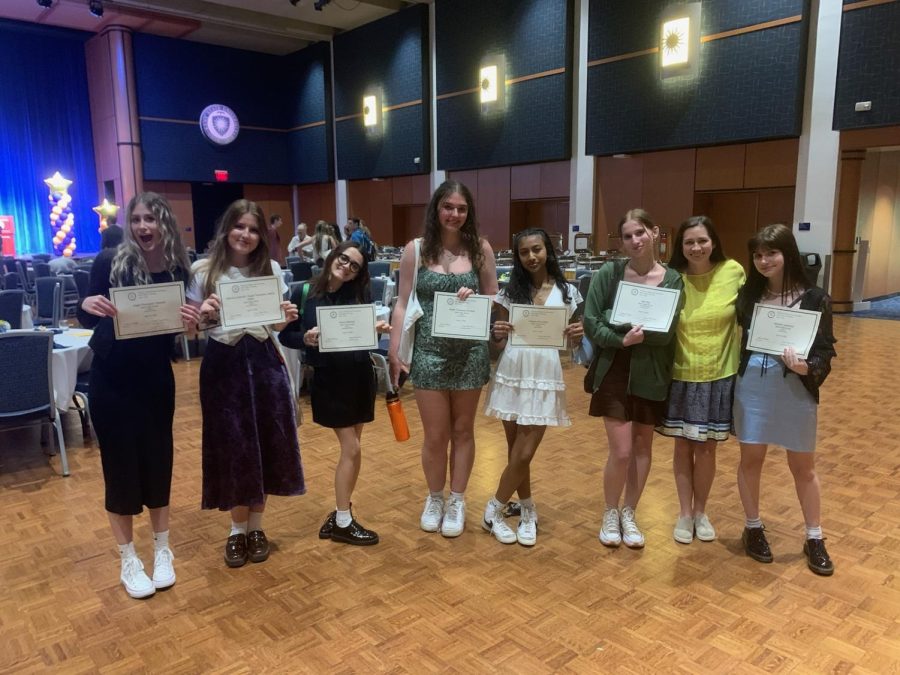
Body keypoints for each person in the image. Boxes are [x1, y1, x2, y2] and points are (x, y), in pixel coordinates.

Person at [77, 192, 200, 599]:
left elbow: (184, 328)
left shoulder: (179, 268)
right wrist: (88, 303)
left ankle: (163, 550)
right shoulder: (108, 262)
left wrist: (191, 323)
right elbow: (83, 313)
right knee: (121, 468)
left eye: (151, 219)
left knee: (158, 462)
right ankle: (128, 558)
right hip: (111, 379)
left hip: (155, 379)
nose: (143, 227)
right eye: (137, 220)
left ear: (164, 223)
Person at [187, 199, 305, 568]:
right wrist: (203, 317)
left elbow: (275, 326)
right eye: (240, 227)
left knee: (266, 445)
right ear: (226, 229)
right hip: (223, 365)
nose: (246, 235)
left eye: (254, 230)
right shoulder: (203, 270)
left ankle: (257, 527)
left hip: (264, 363)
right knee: (234, 448)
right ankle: (236, 531)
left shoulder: (270, 269)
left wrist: (285, 319)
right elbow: (190, 330)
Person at [388, 180, 498, 537]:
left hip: (469, 352)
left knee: (463, 431)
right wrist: (394, 347)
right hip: (429, 352)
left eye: (461, 208)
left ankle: (457, 499)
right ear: (437, 209)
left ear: (469, 213)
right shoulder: (416, 250)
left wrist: (478, 299)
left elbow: (495, 297)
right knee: (435, 435)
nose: (454, 214)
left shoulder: (480, 249)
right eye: (448, 207)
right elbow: (402, 301)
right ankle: (435, 497)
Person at [733, 223, 837, 575]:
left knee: (803, 467)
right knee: (751, 459)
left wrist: (807, 367)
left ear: (787, 253)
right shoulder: (748, 295)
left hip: (795, 388)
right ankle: (753, 528)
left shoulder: (815, 298)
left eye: (771, 253)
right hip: (752, 387)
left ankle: (814, 536)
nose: (764, 260)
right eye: (758, 255)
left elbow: (825, 350)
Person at [279, 241, 391, 545]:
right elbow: (285, 335)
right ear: (333, 256)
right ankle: (343, 520)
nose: (347, 266)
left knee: (354, 450)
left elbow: (362, 335)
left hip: (359, 376)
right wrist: (305, 336)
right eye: (344, 259)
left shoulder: (359, 293)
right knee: (351, 449)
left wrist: (376, 329)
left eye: (355, 266)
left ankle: (343, 511)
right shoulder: (304, 292)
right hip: (330, 379)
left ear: (359, 273)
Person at [583, 208, 683, 549]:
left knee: (643, 448)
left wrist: (627, 327)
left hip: (652, 371)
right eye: (627, 236)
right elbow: (591, 320)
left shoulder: (672, 279)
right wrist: (620, 338)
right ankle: (610, 511)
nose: (635, 241)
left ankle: (630, 512)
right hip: (615, 369)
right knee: (621, 451)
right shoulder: (609, 274)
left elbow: (667, 331)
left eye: (640, 232)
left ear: (654, 232)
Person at [482, 228, 583, 546]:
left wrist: (576, 336)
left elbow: (572, 346)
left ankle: (493, 509)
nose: (531, 257)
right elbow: (495, 347)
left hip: (544, 371)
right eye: (524, 252)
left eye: (536, 249)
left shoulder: (568, 292)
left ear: (547, 250)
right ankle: (527, 510)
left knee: (524, 452)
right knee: (516, 453)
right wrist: (496, 333)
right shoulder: (508, 292)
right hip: (512, 369)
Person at [657, 216, 745, 544]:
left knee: (707, 448)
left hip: (719, 374)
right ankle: (683, 512)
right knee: (682, 446)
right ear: (681, 247)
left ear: (714, 242)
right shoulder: (671, 278)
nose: (696, 247)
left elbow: (753, 312)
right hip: (681, 373)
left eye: (702, 241)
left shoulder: (733, 271)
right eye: (689, 242)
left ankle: (701, 512)